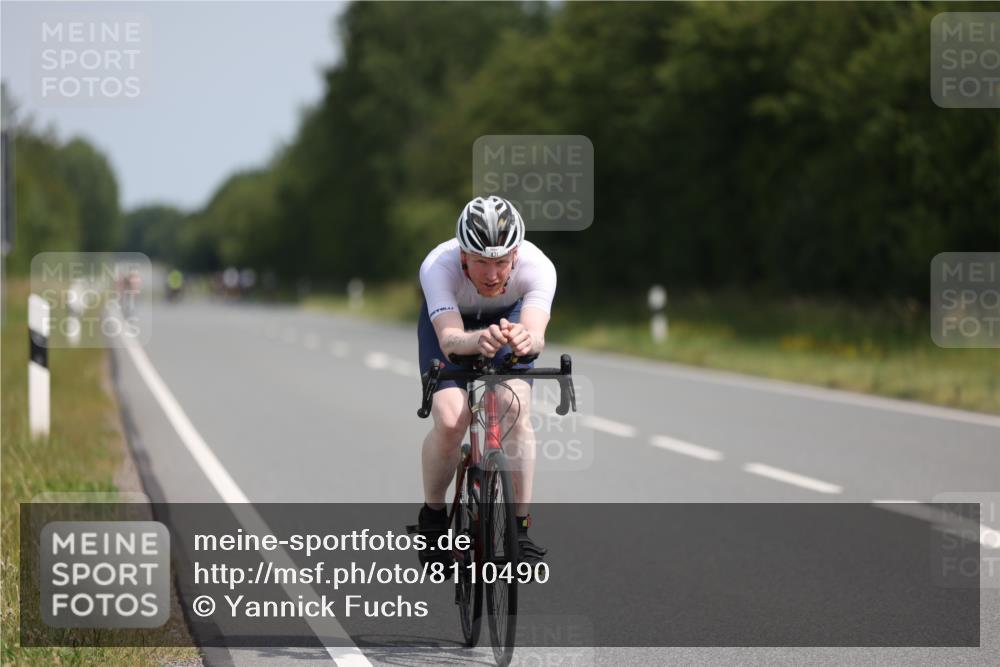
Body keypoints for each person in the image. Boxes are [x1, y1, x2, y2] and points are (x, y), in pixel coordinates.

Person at [417, 195, 556, 565]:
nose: (492, 275)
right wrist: (476, 339)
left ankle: (520, 529)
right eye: (480, 262)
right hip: (453, 327)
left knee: (513, 408)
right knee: (450, 419)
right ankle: (432, 519)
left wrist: (527, 339)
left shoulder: (538, 266)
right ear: (463, 255)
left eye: (500, 262)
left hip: (509, 320)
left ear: (515, 254)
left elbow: (536, 334)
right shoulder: (438, 266)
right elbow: (448, 341)